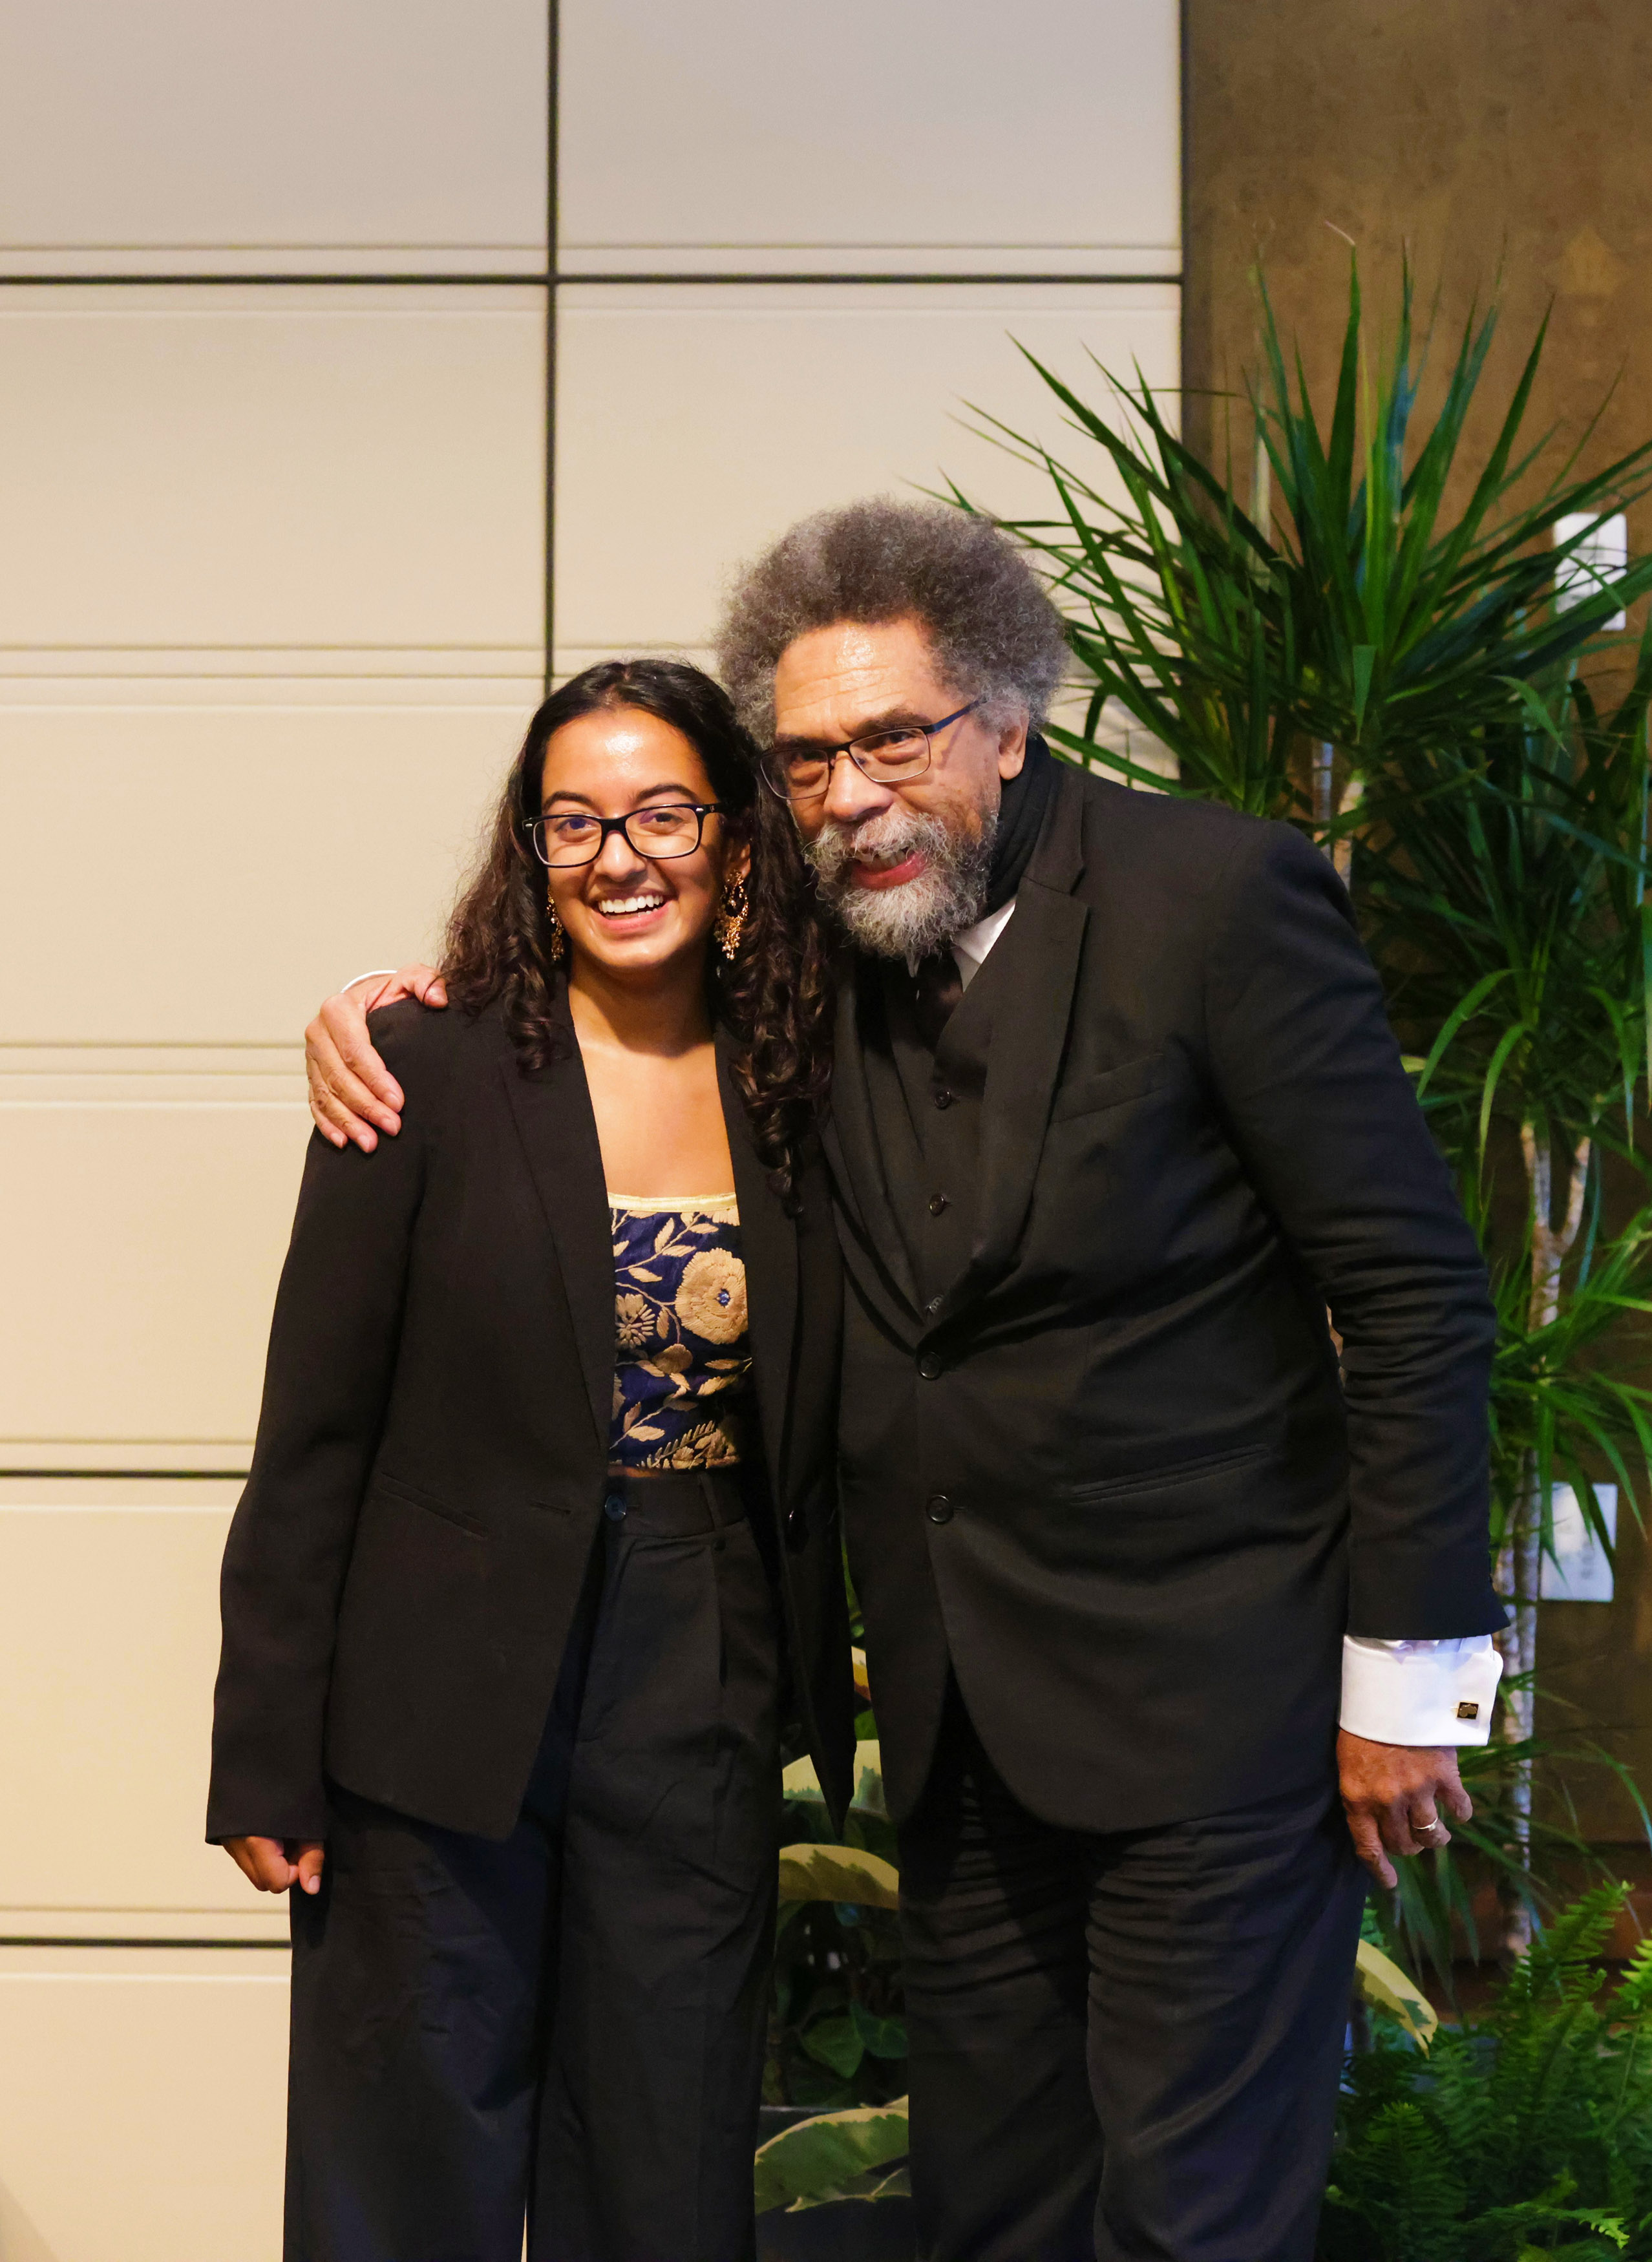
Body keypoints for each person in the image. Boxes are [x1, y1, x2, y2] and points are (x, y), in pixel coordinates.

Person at [304, 502, 1506, 2262]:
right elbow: (600, 921)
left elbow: (1409, 1292)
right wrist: (385, 1005)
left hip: (1215, 1718)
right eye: (802, 759)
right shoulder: (824, 937)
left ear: (1009, 720)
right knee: (986, 2215)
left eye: (891, 738)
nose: (848, 792)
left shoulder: (1216, 895)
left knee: (1190, 2223)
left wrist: (1407, 1675)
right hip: (956, 1731)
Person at [208, 658, 852, 2262]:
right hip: (435, 1682)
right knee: (404, 2158)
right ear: (529, 848)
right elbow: (315, 1431)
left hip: (699, 1654)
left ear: (741, 843)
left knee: (662, 2152)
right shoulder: (419, 1069)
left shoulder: (821, 1078)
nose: (620, 857)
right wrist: (265, 1746)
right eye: (573, 822)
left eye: (662, 815)